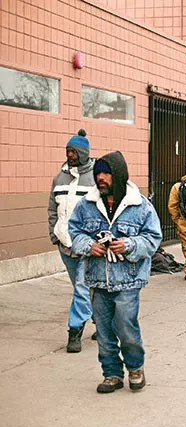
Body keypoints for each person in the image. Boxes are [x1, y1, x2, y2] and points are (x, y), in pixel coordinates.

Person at [69, 151, 162, 393]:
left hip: (128, 282)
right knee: (103, 332)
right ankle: (111, 374)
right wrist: (89, 245)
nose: (101, 178)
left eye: (106, 173)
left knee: (126, 328)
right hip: (98, 280)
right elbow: (74, 231)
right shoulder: (87, 205)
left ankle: (135, 368)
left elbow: (153, 238)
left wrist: (130, 244)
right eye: (98, 173)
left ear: (118, 175)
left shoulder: (140, 206)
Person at [48, 129, 97, 353]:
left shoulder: (97, 177)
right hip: (64, 246)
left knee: (81, 288)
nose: (70, 154)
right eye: (68, 150)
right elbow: (52, 209)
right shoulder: (59, 177)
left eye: (74, 151)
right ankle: (103, 324)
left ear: (84, 153)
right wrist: (53, 234)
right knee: (86, 288)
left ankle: (74, 332)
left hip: (87, 246)